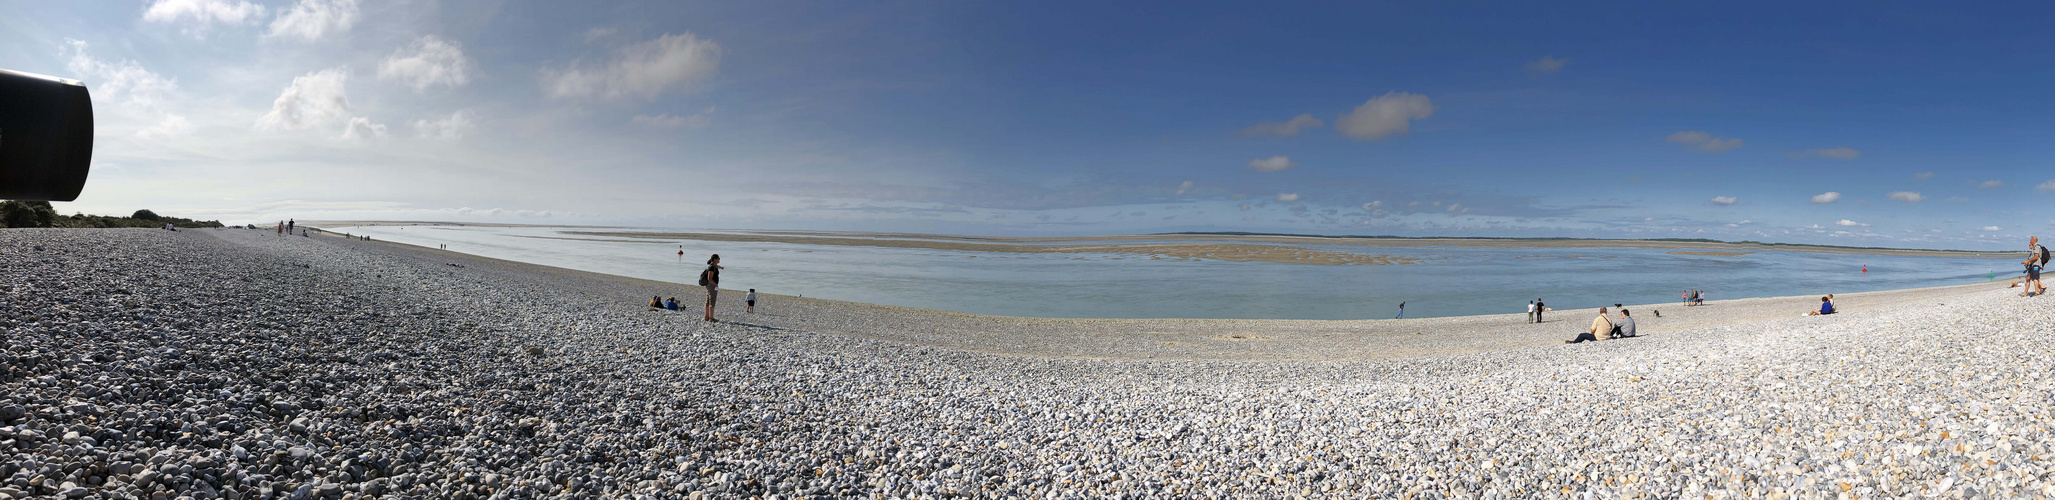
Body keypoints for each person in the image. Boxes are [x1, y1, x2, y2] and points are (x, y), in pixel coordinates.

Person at [699, 254, 724, 321]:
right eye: (718, 258)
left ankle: (706, 317)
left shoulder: (713, 266)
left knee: (708, 301)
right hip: (711, 285)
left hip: (710, 285)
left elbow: (716, 266)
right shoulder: (711, 268)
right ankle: (711, 318)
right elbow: (709, 278)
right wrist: (716, 284)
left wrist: (721, 268)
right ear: (715, 259)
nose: (719, 260)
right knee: (711, 301)